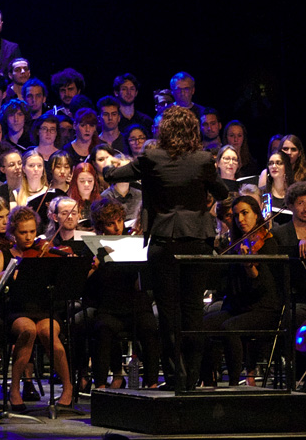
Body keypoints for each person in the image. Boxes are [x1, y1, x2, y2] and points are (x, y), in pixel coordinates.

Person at [100, 106, 226, 391]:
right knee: (193, 308)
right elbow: (222, 192)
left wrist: (107, 169)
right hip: (196, 240)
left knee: (168, 311)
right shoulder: (204, 159)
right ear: (193, 131)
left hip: (164, 241)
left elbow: (116, 174)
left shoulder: (151, 157)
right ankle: (192, 376)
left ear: (164, 130)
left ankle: (174, 376)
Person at [0, 203, 79, 408]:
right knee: (27, 330)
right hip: (17, 310)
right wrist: (8, 273)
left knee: (48, 332)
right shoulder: (6, 254)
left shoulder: (44, 251)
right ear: (13, 232)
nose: (28, 237)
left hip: (44, 307)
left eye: (32, 231)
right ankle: (15, 389)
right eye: (23, 232)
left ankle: (68, 387)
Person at [206, 195, 281, 387]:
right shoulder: (236, 245)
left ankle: (233, 384)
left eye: (245, 213)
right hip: (238, 307)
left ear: (257, 214)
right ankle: (208, 381)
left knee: (229, 328)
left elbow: (264, 287)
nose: (240, 219)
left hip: (263, 309)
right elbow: (226, 285)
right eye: (236, 215)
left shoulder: (268, 244)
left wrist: (250, 268)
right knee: (203, 324)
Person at [83, 198, 159, 388]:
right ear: (101, 227)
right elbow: (84, 284)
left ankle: (152, 383)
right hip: (108, 306)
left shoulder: (133, 242)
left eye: (119, 221)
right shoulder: (94, 247)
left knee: (149, 327)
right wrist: (96, 266)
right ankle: (100, 385)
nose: (117, 227)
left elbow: (143, 281)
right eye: (110, 224)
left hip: (135, 303)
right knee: (103, 329)